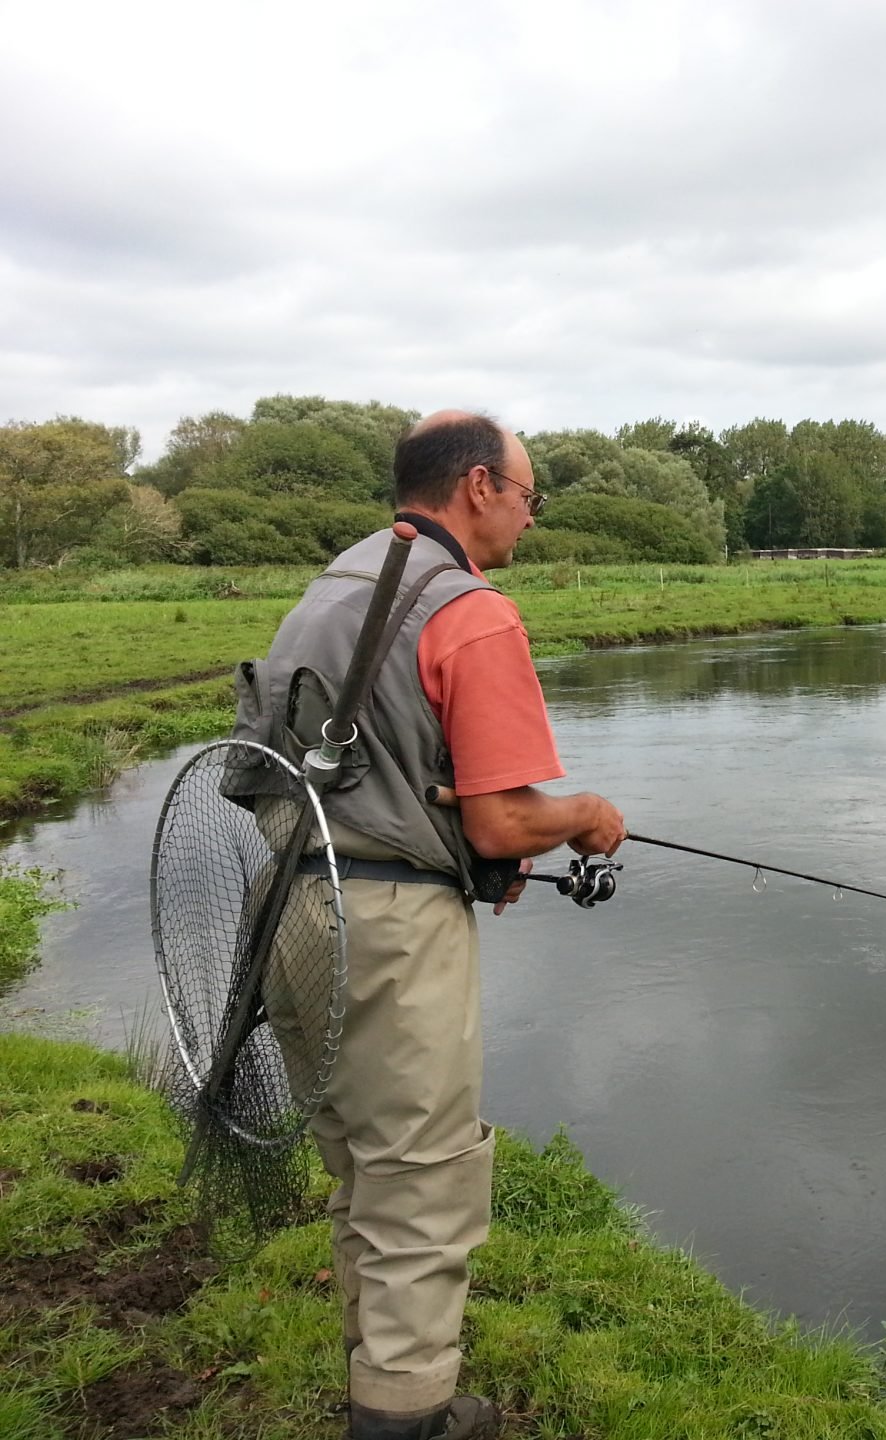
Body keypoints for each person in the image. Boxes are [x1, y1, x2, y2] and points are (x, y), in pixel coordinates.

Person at [236, 410, 625, 1440]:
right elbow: (501, 816)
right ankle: (407, 1420)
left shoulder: (342, 579)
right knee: (422, 1180)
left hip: (286, 901)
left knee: (358, 1163)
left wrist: (472, 848)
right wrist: (584, 816)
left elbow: (384, 768)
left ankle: (379, 1378)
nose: (531, 521)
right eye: (531, 498)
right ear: (482, 486)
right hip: (390, 928)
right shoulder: (471, 608)